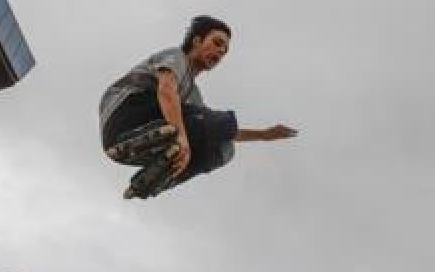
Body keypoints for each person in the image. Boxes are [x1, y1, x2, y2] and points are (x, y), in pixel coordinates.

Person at [99, 14, 298, 199]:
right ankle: (147, 140)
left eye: (225, 51)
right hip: (124, 113)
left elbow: (216, 130)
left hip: (122, 147)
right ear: (197, 40)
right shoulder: (177, 56)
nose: (220, 52)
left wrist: (263, 135)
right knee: (224, 121)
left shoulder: (192, 95)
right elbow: (166, 91)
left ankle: (155, 179)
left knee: (224, 148)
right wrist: (182, 139)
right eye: (217, 43)